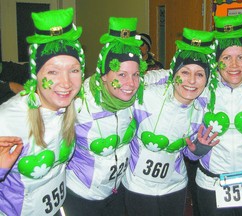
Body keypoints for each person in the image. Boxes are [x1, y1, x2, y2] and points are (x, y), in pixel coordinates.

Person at [122, 28, 219, 216]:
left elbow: (190, 156)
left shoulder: (202, 110)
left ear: (206, 80)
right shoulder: (146, 97)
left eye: (199, 74)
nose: (191, 81)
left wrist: (198, 150)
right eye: (185, 72)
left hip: (175, 186)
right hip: (138, 187)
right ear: (174, 73)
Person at [0, 7, 85, 216]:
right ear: (36, 75)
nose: (65, 83)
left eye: (74, 70)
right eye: (53, 71)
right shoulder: (9, 119)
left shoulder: (75, 106)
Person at [63, 17, 147, 216]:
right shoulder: (78, 102)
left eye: (135, 75)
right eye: (122, 75)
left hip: (116, 194)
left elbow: (168, 79)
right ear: (104, 75)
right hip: (80, 198)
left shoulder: (135, 98)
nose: (131, 83)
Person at [194, 14, 242, 216]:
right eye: (226, 58)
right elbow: (172, 79)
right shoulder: (201, 89)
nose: (234, 65)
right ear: (216, 61)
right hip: (212, 182)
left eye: (240, 57)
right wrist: (198, 148)